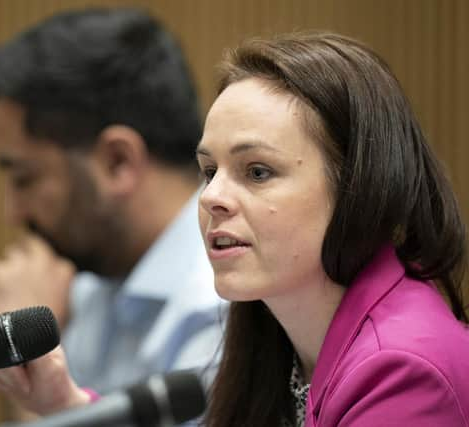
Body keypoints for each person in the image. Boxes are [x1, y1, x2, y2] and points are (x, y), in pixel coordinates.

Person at [197, 33, 469, 426]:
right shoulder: (275, 335)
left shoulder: (403, 371)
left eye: (257, 172)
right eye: (209, 171)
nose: (211, 197)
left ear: (357, 187)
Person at [0, 7, 224, 421]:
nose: (12, 213)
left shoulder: (220, 307)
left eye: (25, 178)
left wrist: (25, 361)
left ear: (117, 162)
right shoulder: (90, 285)